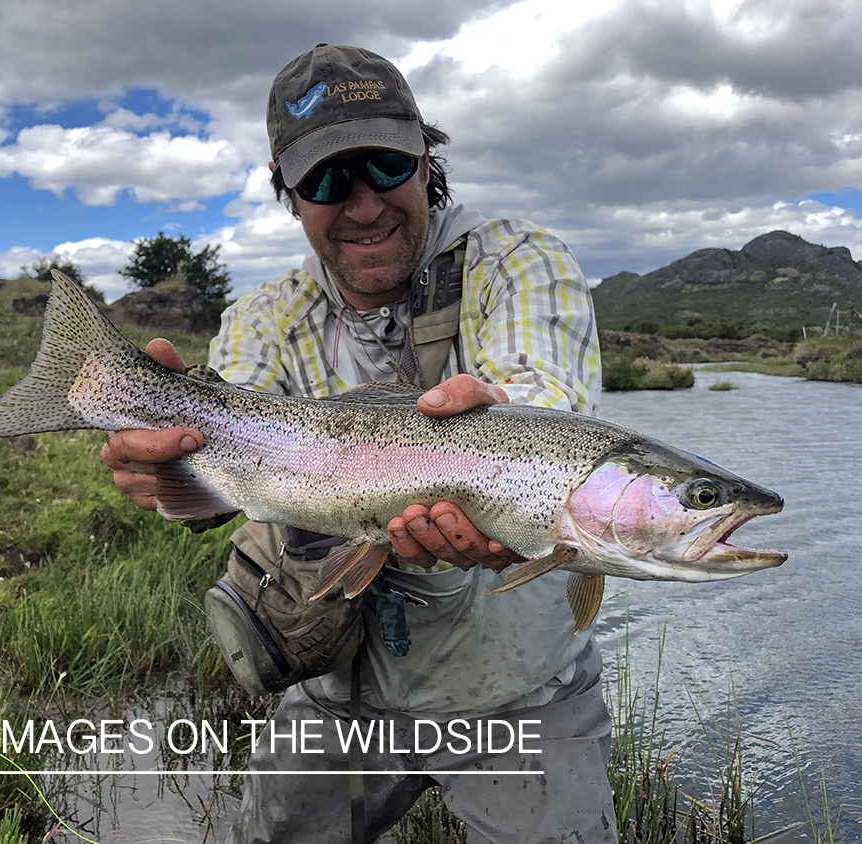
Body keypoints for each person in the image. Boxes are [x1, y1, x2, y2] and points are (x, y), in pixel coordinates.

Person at [102, 44, 616, 844]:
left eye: (383, 164)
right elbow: (224, 468)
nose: (364, 203)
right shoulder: (262, 318)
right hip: (342, 690)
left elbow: (548, 398)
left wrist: (503, 423)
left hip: (522, 691)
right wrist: (164, 469)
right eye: (327, 180)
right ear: (289, 193)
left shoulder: (519, 261)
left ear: (425, 159)